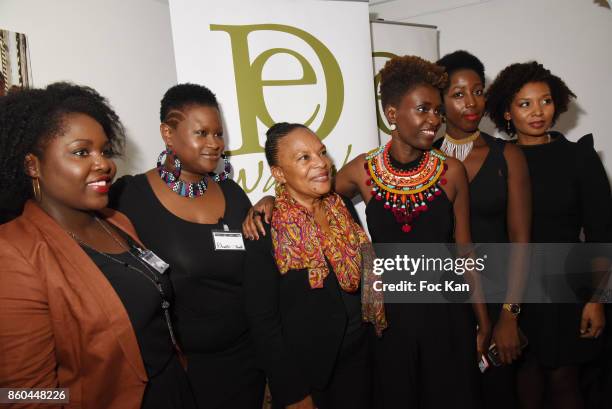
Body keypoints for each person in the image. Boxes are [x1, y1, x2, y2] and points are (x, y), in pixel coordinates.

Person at [245, 55, 490, 409]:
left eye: (438, 111)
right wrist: (268, 197)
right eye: (423, 109)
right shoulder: (363, 169)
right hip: (389, 321)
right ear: (393, 114)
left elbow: (466, 251)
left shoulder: (452, 171)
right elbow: (314, 195)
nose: (434, 120)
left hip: (445, 314)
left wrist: (484, 322)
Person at [0, 83, 196, 409]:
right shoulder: (13, 254)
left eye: (105, 151)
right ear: (33, 165)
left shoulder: (116, 222)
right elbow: (22, 395)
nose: (103, 164)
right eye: (81, 152)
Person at [109, 83, 265, 409]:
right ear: (168, 133)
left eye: (219, 134)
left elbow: (258, 275)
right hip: (180, 371)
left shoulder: (233, 194)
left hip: (246, 362)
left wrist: (273, 202)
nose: (214, 144)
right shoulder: (129, 198)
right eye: (202, 133)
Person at [486, 61, 612, 409]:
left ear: (557, 103)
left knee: (564, 380)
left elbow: (602, 231)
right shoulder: (497, 161)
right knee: (524, 378)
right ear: (507, 113)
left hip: (569, 287)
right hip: (516, 287)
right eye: (525, 104)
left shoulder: (579, 157)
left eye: (545, 101)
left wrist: (597, 300)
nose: (537, 112)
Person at [243, 122, 380, 409]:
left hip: (362, 362)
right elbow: (264, 323)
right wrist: (292, 392)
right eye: (304, 157)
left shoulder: (341, 204)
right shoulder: (266, 229)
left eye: (322, 152)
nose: (322, 163)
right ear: (279, 173)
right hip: (309, 378)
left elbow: (367, 276)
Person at [435, 50, 532, 409]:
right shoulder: (423, 159)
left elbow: (522, 241)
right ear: (440, 102)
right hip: (443, 303)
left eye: (478, 90)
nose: (471, 102)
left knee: (497, 396)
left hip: (498, 299)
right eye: (458, 94)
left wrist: (510, 314)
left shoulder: (507, 156)